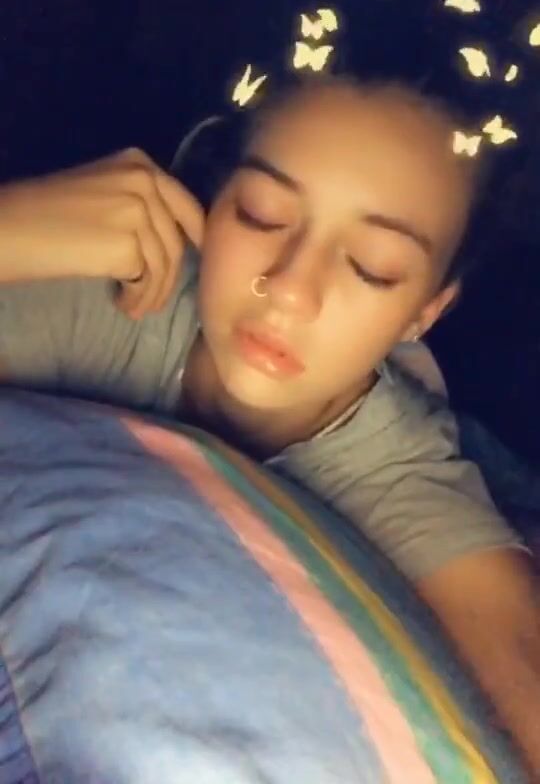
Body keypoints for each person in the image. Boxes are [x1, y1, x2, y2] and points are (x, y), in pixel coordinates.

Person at [1, 75, 540, 778]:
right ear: (212, 197)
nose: (289, 288)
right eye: (261, 214)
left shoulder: (402, 473)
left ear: (425, 312)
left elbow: (516, 664)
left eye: (373, 268)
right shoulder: (108, 298)